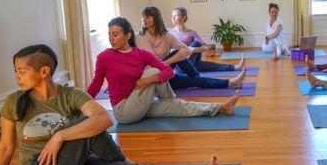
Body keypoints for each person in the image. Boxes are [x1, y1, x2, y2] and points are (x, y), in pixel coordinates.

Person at [0, 45, 219, 165]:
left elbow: (105, 119)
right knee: (87, 124)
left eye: (21, 70)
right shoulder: (13, 102)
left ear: (44, 71)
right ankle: (121, 160)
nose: (16, 76)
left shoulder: (71, 95)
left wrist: (59, 136)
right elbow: (5, 148)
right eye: (16, 70)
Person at [88, 17, 242, 125]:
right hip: (124, 111)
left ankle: (222, 107)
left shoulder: (141, 54)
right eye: (109, 34)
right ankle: (171, 99)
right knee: (153, 71)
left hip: (141, 102)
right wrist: (81, 104)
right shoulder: (104, 57)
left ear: (127, 35)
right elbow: (96, 83)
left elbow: (168, 72)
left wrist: (148, 81)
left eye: (115, 34)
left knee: (178, 106)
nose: (111, 38)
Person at [135, 6, 245, 90]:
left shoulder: (166, 35)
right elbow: (151, 62)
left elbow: (187, 49)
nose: (144, 19)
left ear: (156, 19)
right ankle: (227, 75)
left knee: (195, 80)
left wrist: (168, 62)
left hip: (167, 73)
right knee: (192, 71)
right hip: (152, 78)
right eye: (142, 16)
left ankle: (231, 83)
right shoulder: (139, 37)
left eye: (148, 17)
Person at [169, 6, 245, 72]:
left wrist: (193, 49)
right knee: (200, 63)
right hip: (177, 64)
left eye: (176, 15)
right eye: (173, 16)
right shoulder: (168, 31)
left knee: (197, 46)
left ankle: (236, 67)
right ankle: (235, 67)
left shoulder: (191, 33)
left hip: (189, 62)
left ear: (184, 17)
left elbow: (206, 48)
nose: (173, 18)